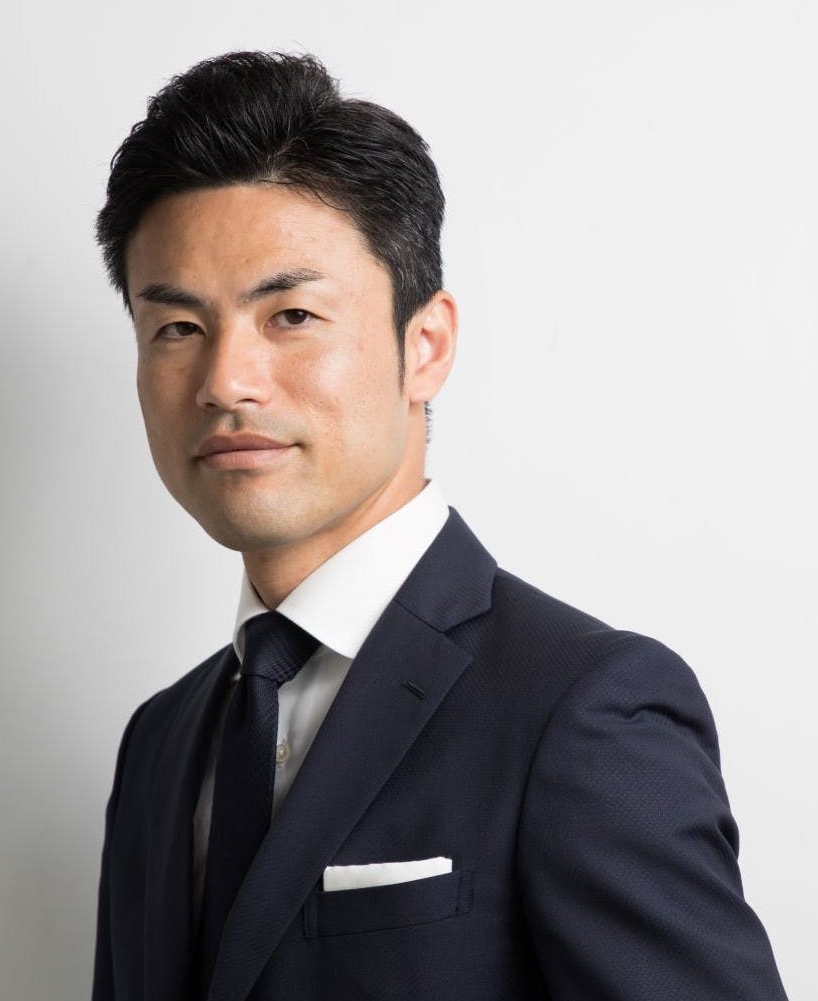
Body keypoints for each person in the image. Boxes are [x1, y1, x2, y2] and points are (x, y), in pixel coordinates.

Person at [90, 50, 788, 1001]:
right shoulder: (160, 744)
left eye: (290, 314)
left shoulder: (581, 710)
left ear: (426, 345)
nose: (226, 382)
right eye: (177, 328)